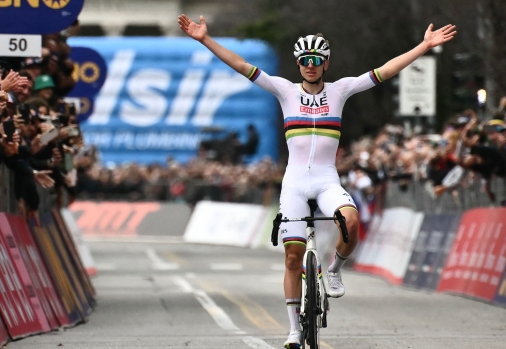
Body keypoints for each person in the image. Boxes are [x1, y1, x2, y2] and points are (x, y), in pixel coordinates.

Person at [178, 13, 456, 348]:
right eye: (305, 60)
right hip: (294, 183)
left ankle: (335, 268)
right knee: (293, 258)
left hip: (326, 181)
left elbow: (385, 70)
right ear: (298, 64)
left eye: (317, 60)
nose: (311, 65)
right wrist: (206, 39)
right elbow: (241, 65)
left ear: (325, 64)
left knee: (350, 221)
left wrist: (424, 46)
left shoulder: (341, 90)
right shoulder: (284, 90)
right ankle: (294, 329)